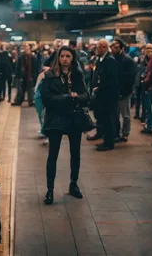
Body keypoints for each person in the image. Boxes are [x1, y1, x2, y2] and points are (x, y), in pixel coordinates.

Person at [41, 46, 88, 205]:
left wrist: (76, 97)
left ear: (73, 58)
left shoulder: (77, 74)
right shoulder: (49, 75)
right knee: (53, 154)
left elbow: (85, 96)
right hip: (56, 119)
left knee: (76, 153)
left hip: (74, 118)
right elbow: (46, 98)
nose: (65, 59)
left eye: (68, 56)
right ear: (58, 57)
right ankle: (50, 190)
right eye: (62, 56)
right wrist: (68, 97)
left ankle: (73, 184)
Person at [89, 39, 119, 151]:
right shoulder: (102, 59)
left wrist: (99, 87)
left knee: (109, 120)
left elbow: (111, 80)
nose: (96, 50)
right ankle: (105, 140)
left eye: (98, 47)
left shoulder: (110, 60)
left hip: (108, 96)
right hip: (102, 95)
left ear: (104, 48)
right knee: (104, 119)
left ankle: (108, 143)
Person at [110, 39, 136, 143]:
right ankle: (117, 133)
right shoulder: (113, 58)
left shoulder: (127, 59)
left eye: (116, 47)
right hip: (116, 91)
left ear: (121, 48)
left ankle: (125, 134)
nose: (113, 48)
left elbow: (130, 77)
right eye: (112, 46)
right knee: (116, 114)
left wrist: (124, 92)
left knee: (125, 115)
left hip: (124, 92)